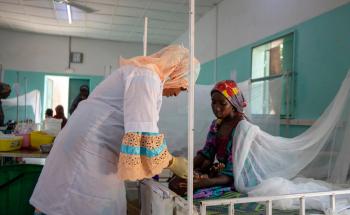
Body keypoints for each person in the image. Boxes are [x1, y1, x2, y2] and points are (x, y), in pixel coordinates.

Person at [30, 44, 200, 215]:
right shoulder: (146, 78)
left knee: (104, 201)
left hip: (89, 149)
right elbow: (148, 143)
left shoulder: (141, 75)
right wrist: (173, 162)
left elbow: (140, 132)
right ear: (174, 71)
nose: (178, 93)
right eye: (183, 86)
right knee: (78, 201)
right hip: (88, 153)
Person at [170, 80, 247, 195]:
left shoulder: (242, 128)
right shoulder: (216, 125)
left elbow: (232, 174)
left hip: (234, 178)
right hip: (218, 173)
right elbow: (206, 154)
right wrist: (185, 168)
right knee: (175, 183)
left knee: (183, 187)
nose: (216, 107)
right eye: (213, 102)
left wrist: (202, 183)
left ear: (234, 104)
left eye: (222, 103)